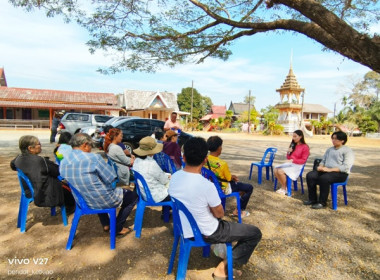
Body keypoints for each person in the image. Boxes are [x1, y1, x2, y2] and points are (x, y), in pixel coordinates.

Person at [169, 137, 262, 279]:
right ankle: (224, 267)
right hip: (208, 231)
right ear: (205, 160)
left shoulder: (175, 177)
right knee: (254, 233)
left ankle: (226, 262)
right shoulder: (206, 185)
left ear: (183, 157)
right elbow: (219, 214)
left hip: (183, 227)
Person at [60, 133, 138, 235]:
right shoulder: (93, 158)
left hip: (82, 200)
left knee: (94, 188)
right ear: (85, 145)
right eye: (90, 146)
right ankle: (117, 228)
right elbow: (110, 178)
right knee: (132, 197)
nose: (91, 149)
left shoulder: (64, 161)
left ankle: (106, 224)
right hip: (100, 199)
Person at [10, 135, 75, 209]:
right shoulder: (40, 161)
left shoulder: (18, 159)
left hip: (29, 190)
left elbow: (12, 165)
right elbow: (57, 171)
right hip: (44, 193)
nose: (40, 146)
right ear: (30, 148)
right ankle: (70, 207)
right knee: (69, 189)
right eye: (39, 144)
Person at [304, 131, 354, 209]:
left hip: (340, 173)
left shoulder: (347, 151)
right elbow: (323, 161)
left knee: (324, 178)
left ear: (342, 140)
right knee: (310, 175)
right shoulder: (330, 149)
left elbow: (345, 167)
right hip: (326, 171)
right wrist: (320, 166)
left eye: (336, 139)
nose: (333, 140)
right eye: (332, 138)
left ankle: (322, 202)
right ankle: (312, 199)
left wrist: (329, 170)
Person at [206, 136, 253, 218]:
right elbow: (228, 179)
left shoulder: (204, 159)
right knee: (249, 187)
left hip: (209, 185)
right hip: (222, 188)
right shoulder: (222, 163)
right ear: (218, 148)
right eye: (221, 146)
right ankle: (239, 211)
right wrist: (232, 177)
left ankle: (238, 203)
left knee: (240, 187)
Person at [133, 137, 171, 214]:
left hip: (144, 193)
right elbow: (164, 180)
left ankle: (165, 213)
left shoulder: (136, 161)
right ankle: (167, 214)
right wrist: (169, 176)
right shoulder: (151, 163)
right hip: (156, 196)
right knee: (178, 192)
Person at [274, 130, 310, 195]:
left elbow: (303, 160)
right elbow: (288, 157)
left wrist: (293, 160)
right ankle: (284, 187)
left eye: (295, 136)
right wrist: (288, 152)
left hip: (297, 165)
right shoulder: (293, 145)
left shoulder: (305, 147)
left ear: (301, 136)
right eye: (293, 136)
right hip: (290, 164)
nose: (293, 138)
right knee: (275, 169)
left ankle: (284, 188)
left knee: (280, 171)